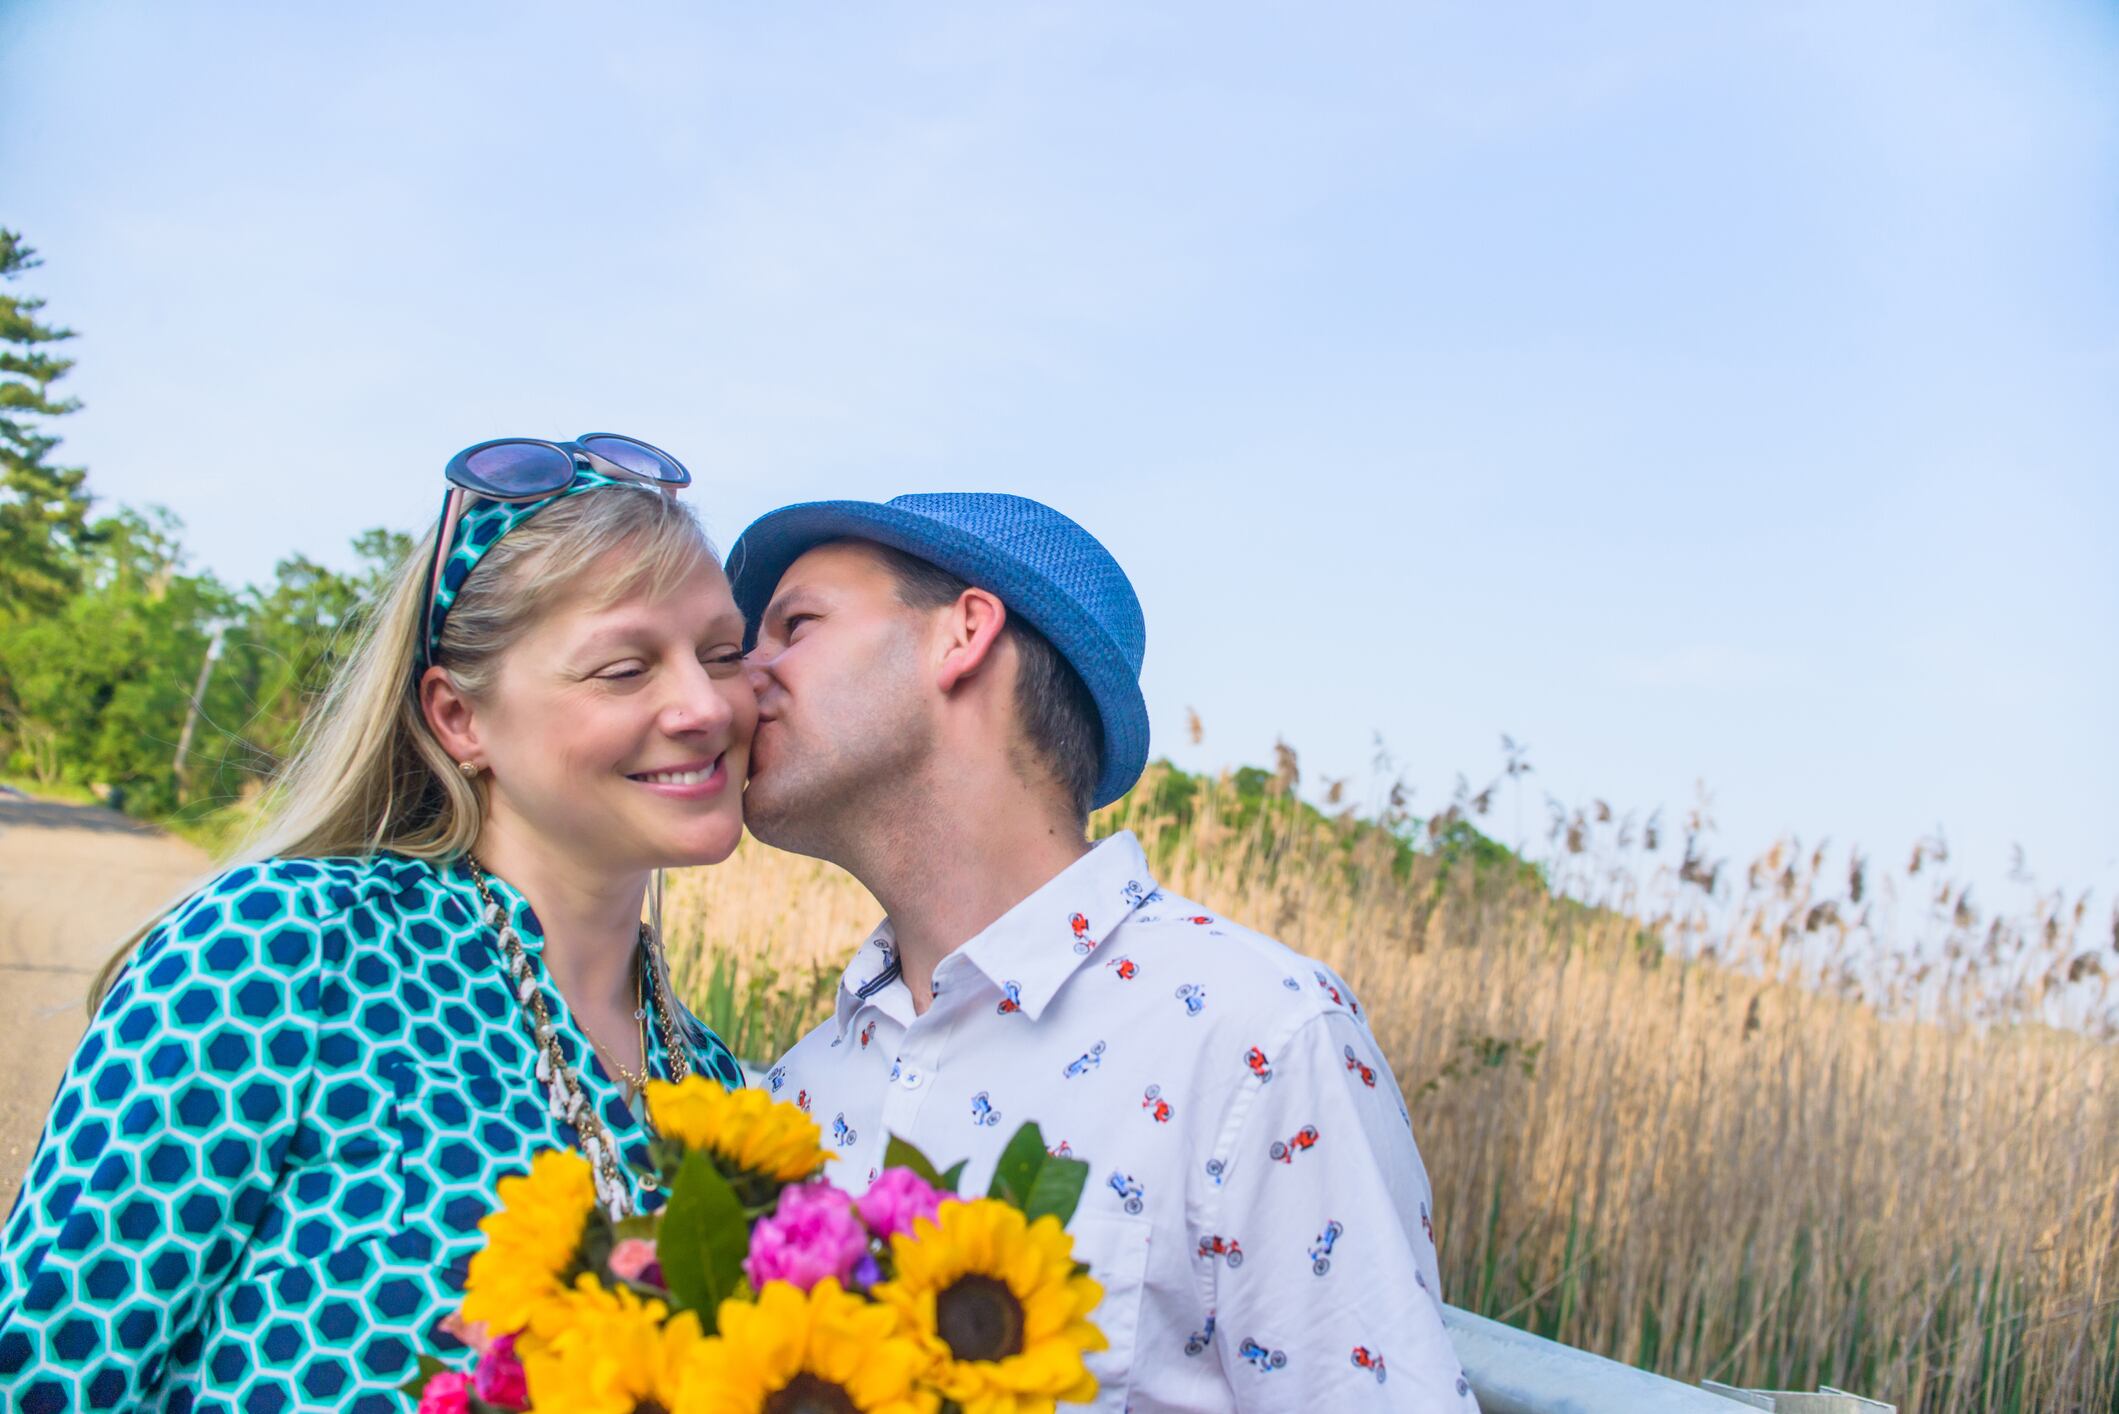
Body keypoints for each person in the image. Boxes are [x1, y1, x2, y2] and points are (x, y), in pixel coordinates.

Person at [0, 437, 753, 1412]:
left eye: (724, 652)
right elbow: (45, 1369)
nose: (703, 704)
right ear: (458, 718)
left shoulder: (724, 1090)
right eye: (623, 668)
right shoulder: (288, 950)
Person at [731, 493, 1476, 1411]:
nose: (736, 678)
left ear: (961, 634)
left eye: (792, 626)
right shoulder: (796, 1091)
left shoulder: (1261, 1041)